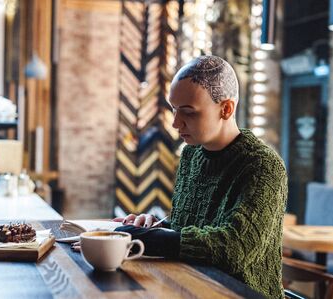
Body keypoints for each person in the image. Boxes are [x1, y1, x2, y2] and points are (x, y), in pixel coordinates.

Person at [115, 55, 287, 298]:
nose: (175, 123)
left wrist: (155, 240)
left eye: (188, 112)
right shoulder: (191, 154)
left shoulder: (263, 166)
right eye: (174, 110)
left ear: (226, 109)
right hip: (189, 285)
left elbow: (235, 248)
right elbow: (189, 226)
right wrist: (156, 226)